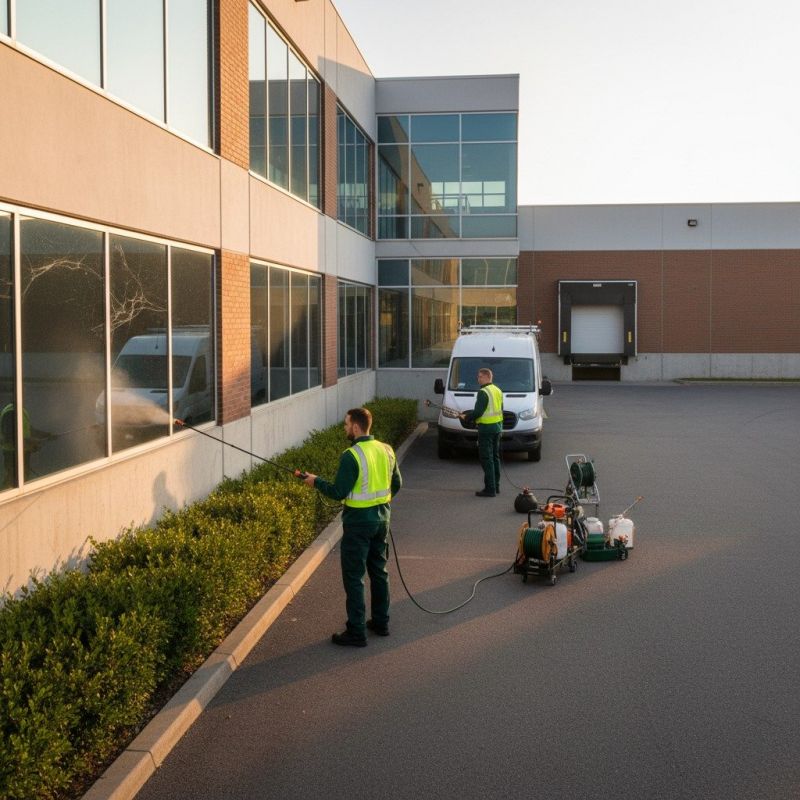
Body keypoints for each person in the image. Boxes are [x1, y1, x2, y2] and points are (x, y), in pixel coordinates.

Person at [303, 407, 402, 647]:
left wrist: (316, 482)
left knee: (354, 576)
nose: (345, 428)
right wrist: (381, 503)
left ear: (356, 427)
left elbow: (338, 492)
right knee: (379, 572)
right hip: (382, 520)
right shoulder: (387, 449)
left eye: (347, 424)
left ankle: (357, 631)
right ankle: (381, 622)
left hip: (358, 524)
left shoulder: (352, 455)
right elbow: (397, 484)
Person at [462, 367, 503, 497]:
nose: (478, 379)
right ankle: (496, 486)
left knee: (487, 458)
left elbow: (478, 412)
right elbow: (500, 410)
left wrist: (466, 417)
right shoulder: (498, 390)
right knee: (495, 457)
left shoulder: (483, 392)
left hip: (486, 429)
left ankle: (489, 489)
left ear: (486, 377)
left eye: (480, 376)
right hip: (497, 428)